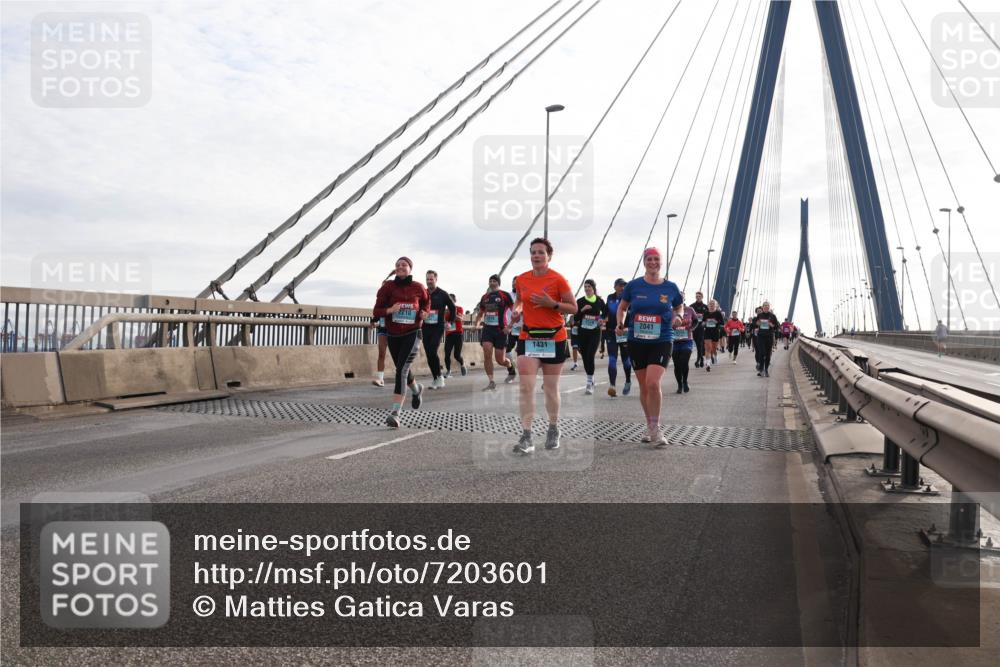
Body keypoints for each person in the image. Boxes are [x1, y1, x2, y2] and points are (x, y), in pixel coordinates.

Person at [512, 238, 576, 455]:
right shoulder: (522, 279)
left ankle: (553, 428)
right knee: (525, 386)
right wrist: (517, 310)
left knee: (550, 388)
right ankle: (527, 436)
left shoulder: (558, 279)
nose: (536, 256)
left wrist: (553, 304)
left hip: (554, 338)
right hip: (529, 336)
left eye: (541, 252)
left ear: (549, 256)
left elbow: (573, 308)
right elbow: (519, 300)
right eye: (533, 252)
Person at [615, 247, 684, 448]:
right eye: (649, 259)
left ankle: (656, 427)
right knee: (644, 386)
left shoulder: (671, 287)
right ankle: (650, 425)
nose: (653, 262)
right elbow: (622, 307)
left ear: (661, 262)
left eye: (656, 259)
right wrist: (620, 322)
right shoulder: (633, 286)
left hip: (662, 339)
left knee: (653, 382)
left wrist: (678, 317)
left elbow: (678, 306)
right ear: (644, 262)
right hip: (637, 340)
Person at [372, 257, 429, 427]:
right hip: (393, 334)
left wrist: (424, 312)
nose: (400, 267)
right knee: (402, 368)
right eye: (397, 265)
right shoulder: (388, 287)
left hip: (413, 333)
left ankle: (396, 413)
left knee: (401, 371)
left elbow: (426, 302)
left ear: (410, 268)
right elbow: (377, 310)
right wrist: (390, 310)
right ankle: (417, 390)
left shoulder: (419, 287)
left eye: (404, 265)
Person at [475, 274, 516, 391]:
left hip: (501, 331)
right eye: (490, 281)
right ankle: (491, 381)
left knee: (500, 360)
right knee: (487, 353)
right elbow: (480, 313)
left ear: (498, 283)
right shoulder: (485, 297)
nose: (492, 283)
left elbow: (515, 312)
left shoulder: (504, 295)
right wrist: (476, 324)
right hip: (488, 330)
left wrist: (510, 326)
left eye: (494, 281)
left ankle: (510, 366)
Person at [422, 270, 456, 389]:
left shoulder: (442, 294)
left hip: (438, 327)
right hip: (425, 327)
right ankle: (436, 378)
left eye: (431, 279)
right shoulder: (423, 293)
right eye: (427, 279)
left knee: (432, 350)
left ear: (436, 279)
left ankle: (439, 377)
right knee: (428, 354)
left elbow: (453, 308)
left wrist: (450, 322)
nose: (429, 281)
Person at [574, 279, 608, 395]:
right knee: (584, 356)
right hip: (583, 333)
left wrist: (601, 319)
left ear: (593, 288)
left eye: (589, 286)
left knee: (590, 355)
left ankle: (589, 382)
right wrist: (582, 310)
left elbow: (606, 312)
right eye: (585, 286)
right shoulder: (580, 301)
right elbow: (576, 317)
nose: (587, 288)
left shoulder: (599, 301)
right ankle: (591, 377)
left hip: (595, 332)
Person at [604, 278, 633, 397]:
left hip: (624, 333)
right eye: (620, 285)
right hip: (611, 332)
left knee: (626, 360)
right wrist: (601, 319)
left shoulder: (629, 299)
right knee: (612, 359)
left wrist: (628, 327)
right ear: (615, 287)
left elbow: (633, 315)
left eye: (624, 286)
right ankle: (612, 386)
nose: (622, 288)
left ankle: (628, 381)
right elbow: (605, 313)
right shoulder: (610, 298)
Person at [671, 301, 695, 394]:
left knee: (684, 362)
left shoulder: (690, 309)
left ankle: (685, 381)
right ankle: (679, 385)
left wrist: (692, 328)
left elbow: (696, 321)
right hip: (674, 341)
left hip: (687, 340)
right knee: (677, 364)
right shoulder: (670, 311)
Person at [753, 301, 781, 377]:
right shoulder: (759, 315)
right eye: (765, 305)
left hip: (769, 336)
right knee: (762, 353)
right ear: (762, 307)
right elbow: (754, 324)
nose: (766, 306)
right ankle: (761, 369)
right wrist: (757, 324)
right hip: (761, 336)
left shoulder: (772, 316)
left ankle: (766, 370)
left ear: (769, 307)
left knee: (768, 354)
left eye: (767, 305)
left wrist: (771, 325)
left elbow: (777, 326)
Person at [443, 293, 467, 378]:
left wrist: (452, 312)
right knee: (447, 354)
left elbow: (459, 318)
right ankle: (448, 371)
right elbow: (443, 320)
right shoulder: (445, 310)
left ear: (454, 300)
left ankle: (462, 364)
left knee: (457, 355)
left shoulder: (459, 308)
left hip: (458, 334)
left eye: (451, 300)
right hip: (449, 334)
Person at [504, 276, 522, 382]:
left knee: (522, 353)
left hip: (523, 328)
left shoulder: (525, 295)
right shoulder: (508, 296)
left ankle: (524, 374)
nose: (515, 284)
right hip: (510, 327)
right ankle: (511, 371)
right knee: (506, 350)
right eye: (513, 282)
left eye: (517, 283)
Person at [702, 299, 725, 371]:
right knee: (708, 348)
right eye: (710, 304)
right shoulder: (705, 313)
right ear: (708, 305)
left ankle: (715, 356)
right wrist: (703, 323)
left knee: (714, 348)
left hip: (715, 332)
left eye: (713, 304)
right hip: (707, 331)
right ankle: (708, 364)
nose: (711, 305)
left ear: (716, 305)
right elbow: (703, 322)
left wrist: (716, 322)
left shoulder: (718, 313)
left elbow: (722, 323)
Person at [690, 291, 709, 367]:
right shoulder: (691, 306)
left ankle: (698, 360)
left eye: (699, 296)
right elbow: (689, 317)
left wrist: (705, 322)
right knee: (698, 344)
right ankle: (701, 358)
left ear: (702, 297)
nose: (698, 298)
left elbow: (709, 317)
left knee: (700, 343)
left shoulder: (705, 307)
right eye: (697, 296)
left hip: (701, 328)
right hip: (694, 328)